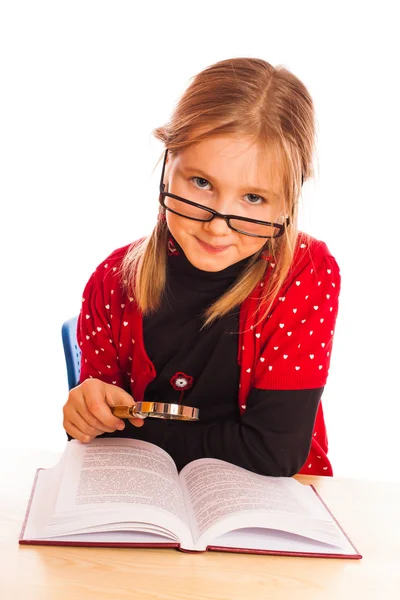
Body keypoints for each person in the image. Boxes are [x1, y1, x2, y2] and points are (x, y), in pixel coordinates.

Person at [63, 57, 341, 477]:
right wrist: (87, 410)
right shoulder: (113, 279)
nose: (216, 225)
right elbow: (97, 441)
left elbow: (275, 454)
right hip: (141, 501)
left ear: (288, 202)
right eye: (201, 183)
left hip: (273, 512)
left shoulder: (305, 272)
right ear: (167, 165)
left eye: (253, 199)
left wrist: (135, 438)